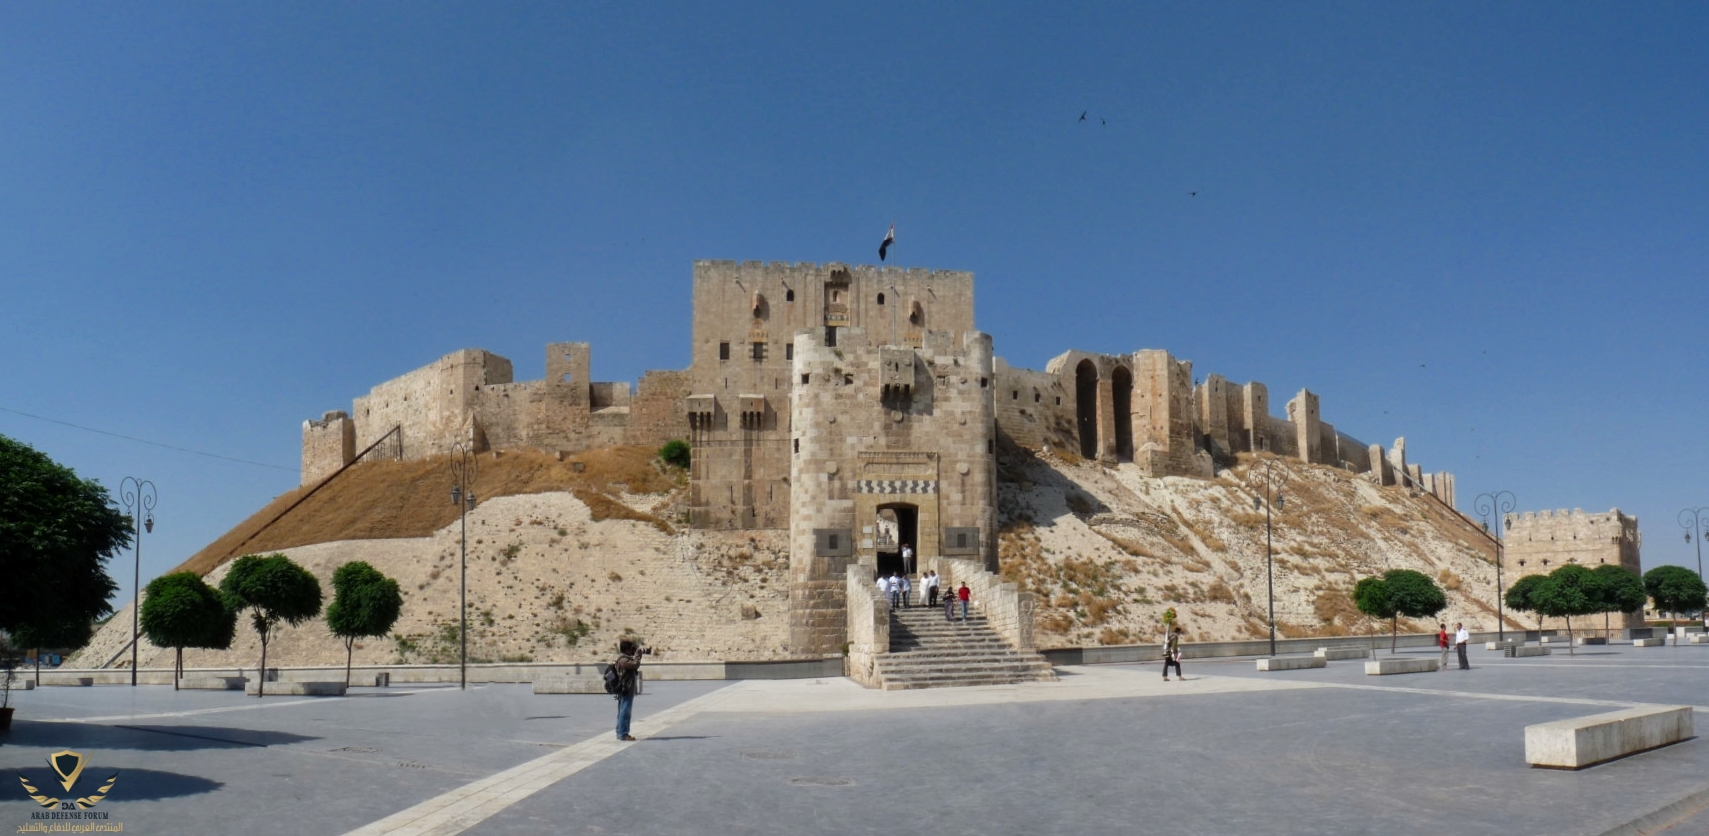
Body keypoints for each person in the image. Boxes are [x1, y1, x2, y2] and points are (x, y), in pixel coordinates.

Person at [612, 639, 649, 741]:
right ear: (627, 650)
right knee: (625, 711)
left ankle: (620, 732)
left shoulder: (624, 659)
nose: (633, 650)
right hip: (626, 689)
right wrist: (638, 656)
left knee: (622, 711)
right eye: (631, 649)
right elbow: (635, 665)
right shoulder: (623, 660)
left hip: (625, 689)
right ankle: (623, 734)